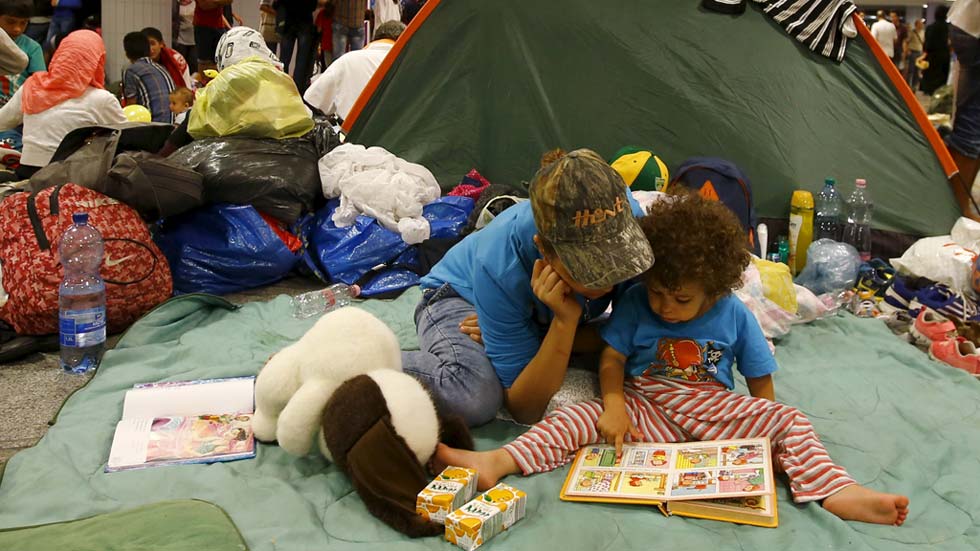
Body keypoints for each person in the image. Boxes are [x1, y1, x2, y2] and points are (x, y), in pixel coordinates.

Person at [434, 192, 911, 527]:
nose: (665, 307)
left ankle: (835, 490)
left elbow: (758, 376)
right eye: (658, 292)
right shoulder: (636, 302)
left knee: (790, 421)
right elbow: (611, 358)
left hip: (711, 405)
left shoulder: (733, 314)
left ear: (715, 289)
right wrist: (614, 404)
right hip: (645, 405)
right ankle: (498, 460)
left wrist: (761, 431)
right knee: (576, 419)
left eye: (681, 300)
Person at [402, 149, 654, 427]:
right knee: (473, 395)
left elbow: (643, 326)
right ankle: (372, 359)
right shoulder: (499, 262)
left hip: (536, 317)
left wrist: (540, 337)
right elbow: (525, 408)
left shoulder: (630, 217)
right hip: (459, 295)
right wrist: (564, 323)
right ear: (543, 249)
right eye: (589, 267)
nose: (608, 280)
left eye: (619, 257)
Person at [0, 30, 126, 179]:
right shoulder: (102, 99)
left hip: (28, 175)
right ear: (97, 61)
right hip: (70, 178)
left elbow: (2, 121)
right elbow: (127, 137)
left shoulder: (32, 87)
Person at [303, 19, 403, 121]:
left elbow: (312, 99)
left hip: (352, 129)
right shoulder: (408, 65)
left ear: (375, 39)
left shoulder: (347, 60)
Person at [947, 0, 980, 210]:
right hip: (974, 30)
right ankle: (956, 208)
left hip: (970, 23)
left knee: (974, 123)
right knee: (972, 124)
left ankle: (961, 203)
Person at [122, 31, 176, 124]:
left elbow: (131, 106)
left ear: (127, 54)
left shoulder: (131, 70)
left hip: (152, 126)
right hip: (171, 124)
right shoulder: (161, 67)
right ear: (148, 50)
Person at [275, 0, 316, 94]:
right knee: (301, 60)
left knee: (284, 59)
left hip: (288, 22)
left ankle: (282, 87)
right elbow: (313, 5)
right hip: (305, 21)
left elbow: (278, 3)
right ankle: (297, 90)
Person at [921, 5, 951, 95]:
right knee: (942, 78)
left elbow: (927, 43)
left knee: (931, 77)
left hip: (932, 56)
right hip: (944, 56)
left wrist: (925, 53)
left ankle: (930, 92)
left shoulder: (930, 27)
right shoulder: (948, 28)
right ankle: (940, 94)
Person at [194, 0, 231, 73]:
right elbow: (204, 5)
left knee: (221, 59)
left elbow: (229, 1)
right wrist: (220, 2)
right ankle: (205, 79)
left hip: (219, 26)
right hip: (203, 26)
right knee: (204, 61)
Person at [173, 0, 197, 75]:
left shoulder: (195, 3)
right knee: (181, 62)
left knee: (193, 62)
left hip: (194, 37)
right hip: (180, 37)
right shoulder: (176, 4)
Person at [906, 18, 925, 89]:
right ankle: (908, 85)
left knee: (917, 70)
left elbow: (923, 42)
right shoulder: (912, 32)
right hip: (913, 52)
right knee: (911, 70)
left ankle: (914, 86)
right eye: (920, 24)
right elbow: (907, 41)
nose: (922, 25)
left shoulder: (923, 32)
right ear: (916, 25)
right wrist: (908, 50)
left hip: (920, 53)